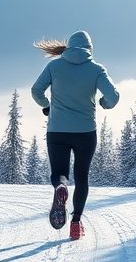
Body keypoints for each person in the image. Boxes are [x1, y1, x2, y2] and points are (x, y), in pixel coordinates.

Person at [30, 30, 120, 240]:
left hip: (57, 130)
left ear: (69, 47)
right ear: (89, 49)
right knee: (82, 177)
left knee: (60, 173)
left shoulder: (54, 66)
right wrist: (103, 104)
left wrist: (47, 107)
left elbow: (36, 91)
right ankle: (76, 223)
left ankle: (61, 187)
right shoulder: (96, 69)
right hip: (85, 132)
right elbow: (113, 97)